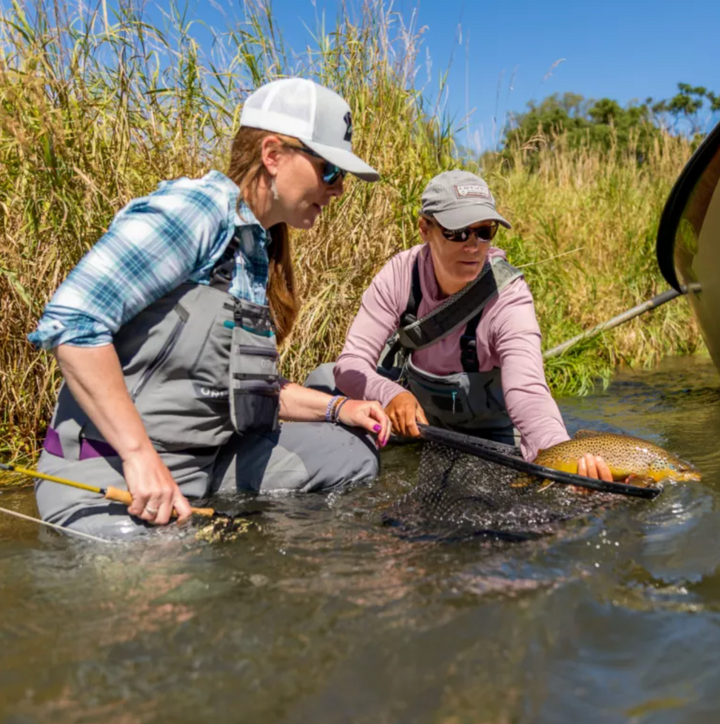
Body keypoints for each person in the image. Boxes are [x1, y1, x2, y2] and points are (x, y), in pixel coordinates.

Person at [28, 78, 391, 538]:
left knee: (351, 454)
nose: (337, 190)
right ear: (273, 154)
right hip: (113, 472)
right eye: (330, 171)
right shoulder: (197, 210)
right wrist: (139, 457)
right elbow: (74, 325)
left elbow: (251, 388)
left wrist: (341, 409)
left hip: (203, 465)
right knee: (181, 596)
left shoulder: (257, 248)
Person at [328, 170, 612, 482]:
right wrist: (391, 394)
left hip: (491, 434)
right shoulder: (399, 276)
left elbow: (527, 391)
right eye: (458, 232)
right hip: (417, 423)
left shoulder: (509, 296)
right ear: (425, 228)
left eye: (484, 231)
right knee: (322, 380)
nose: (474, 246)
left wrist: (560, 456)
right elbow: (350, 364)